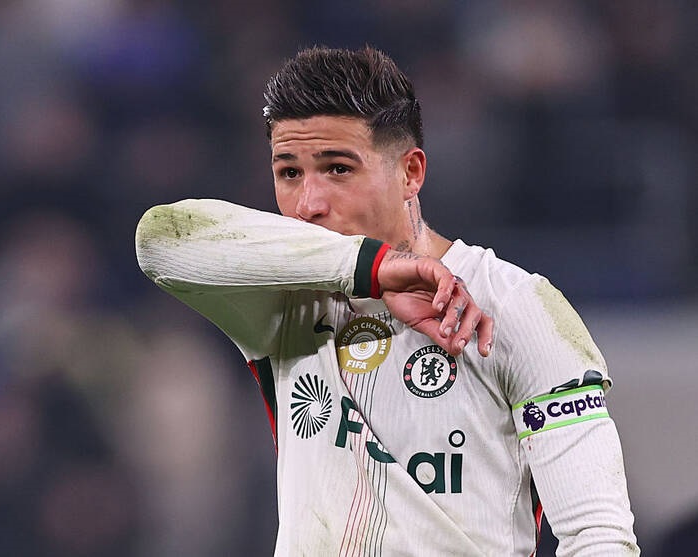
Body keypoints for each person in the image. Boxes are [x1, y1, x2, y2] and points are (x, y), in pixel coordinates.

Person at [135, 46, 639, 556]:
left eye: (338, 169)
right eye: (289, 173)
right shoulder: (282, 298)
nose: (308, 204)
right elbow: (160, 239)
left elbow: (598, 535)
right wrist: (372, 270)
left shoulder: (512, 305)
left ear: (410, 173)